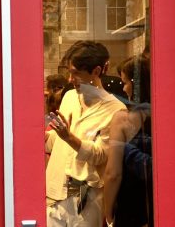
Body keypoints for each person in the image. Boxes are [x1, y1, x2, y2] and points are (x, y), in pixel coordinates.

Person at [45, 41, 126, 227]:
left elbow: (102, 155)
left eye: (76, 73)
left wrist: (69, 137)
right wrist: (43, 137)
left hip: (87, 200)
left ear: (96, 71)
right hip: (55, 191)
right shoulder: (70, 97)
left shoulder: (116, 110)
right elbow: (59, 143)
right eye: (69, 72)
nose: (70, 79)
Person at [102, 56, 152, 227]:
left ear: (135, 84)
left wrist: (107, 211)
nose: (123, 88)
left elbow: (113, 173)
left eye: (125, 82)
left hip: (131, 204)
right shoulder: (168, 115)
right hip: (161, 199)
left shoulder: (123, 119)